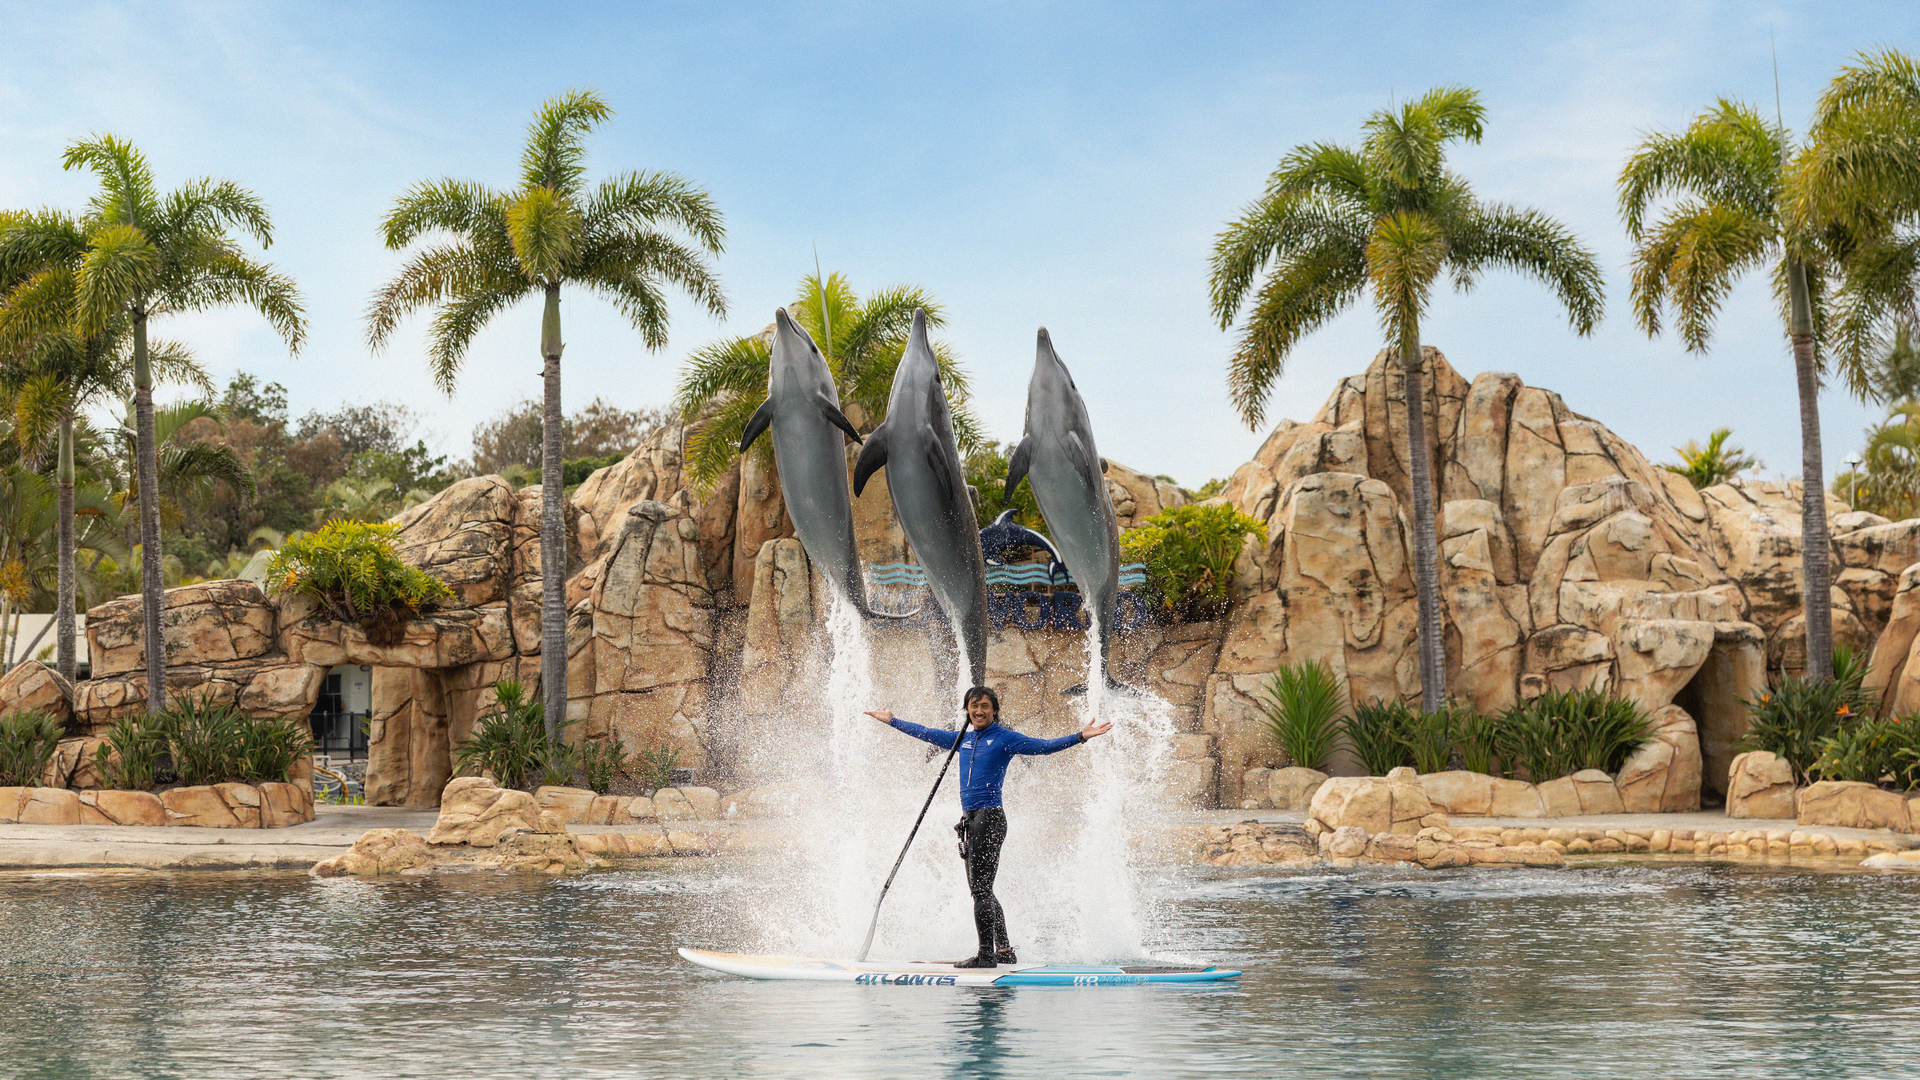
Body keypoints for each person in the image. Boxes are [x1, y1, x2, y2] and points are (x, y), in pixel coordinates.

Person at [864, 686, 1112, 968]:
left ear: (994, 710)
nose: (979, 711)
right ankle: (1003, 950)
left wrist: (1080, 736)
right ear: (967, 710)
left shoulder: (1005, 738)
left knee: (980, 890)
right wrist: (893, 721)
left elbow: (1042, 747)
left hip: (990, 818)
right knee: (983, 889)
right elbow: (926, 732)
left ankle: (985, 956)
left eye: (984, 706)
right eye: (973, 706)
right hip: (971, 821)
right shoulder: (964, 739)